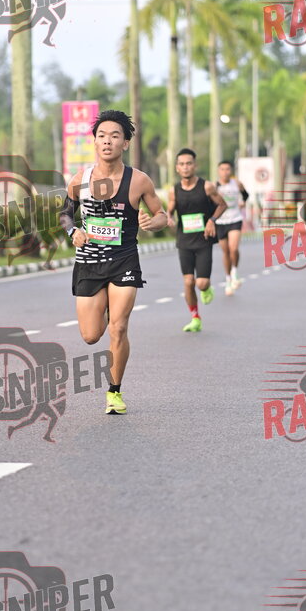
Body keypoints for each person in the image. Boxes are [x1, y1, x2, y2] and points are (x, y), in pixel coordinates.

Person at [59, 110, 167, 414]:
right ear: (95, 142)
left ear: (126, 143)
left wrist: (152, 223)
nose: (107, 141)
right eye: (102, 136)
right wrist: (73, 231)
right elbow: (65, 214)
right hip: (89, 263)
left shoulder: (139, 181)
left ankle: (114, 392)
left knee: (118, 328)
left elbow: (162, 215)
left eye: (115, 136)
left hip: (124, 260)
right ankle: (104, 306)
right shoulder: (80, 180)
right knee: (91, 336)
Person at [167, 149, 227, 333]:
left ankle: (207, 289)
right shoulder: (174, 191)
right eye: (182, 164)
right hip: (184, 240)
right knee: (188, 282)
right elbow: (170, 210)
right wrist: (168, 218)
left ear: (195, 165)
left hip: (203, 240)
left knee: (201, 283)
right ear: (177, 168)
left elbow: (222, 204)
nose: (185, 167)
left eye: (189, 163)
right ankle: (195, 318)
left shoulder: (207, 187)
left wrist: (212, 220)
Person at [215, 160, 249, 295]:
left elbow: (246, 195)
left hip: (235, 219)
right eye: (222, 169)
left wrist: (243, 202)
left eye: (227, 169)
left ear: (231, 171)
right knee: (226, 252)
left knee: (233, 248)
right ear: (218, 171)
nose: (225, 172)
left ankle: (234, 271)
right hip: (220, 221)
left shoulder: (237, 184)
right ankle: (228, 278)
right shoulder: (214, 186)